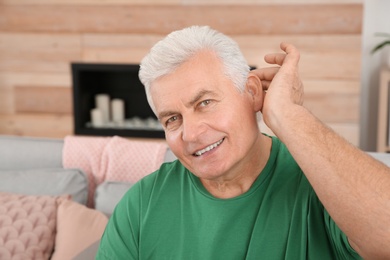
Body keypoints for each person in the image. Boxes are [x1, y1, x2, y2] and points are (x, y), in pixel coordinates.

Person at [96, 25, 390, 259]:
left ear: (251, 92)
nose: (191, 134)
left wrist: (288, 115)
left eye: (205, 102)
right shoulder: (140, 205)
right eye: (172, 119)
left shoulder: (322, 185)